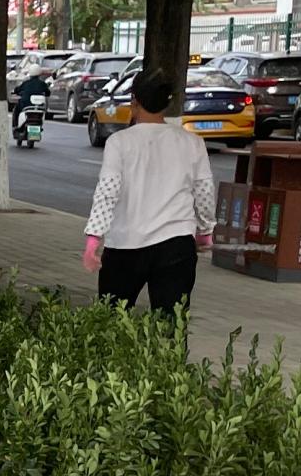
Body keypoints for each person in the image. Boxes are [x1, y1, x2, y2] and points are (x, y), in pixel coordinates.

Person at [83, 68, 216, 314]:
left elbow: (107, 193)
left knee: (112, 320)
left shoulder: (119, 142)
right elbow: (204, 191)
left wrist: (93, 239)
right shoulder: (192, 142)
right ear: (167, 103)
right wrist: (205, 231)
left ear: (134, 100)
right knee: (170, 324)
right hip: (176, 243)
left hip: (125, 244)